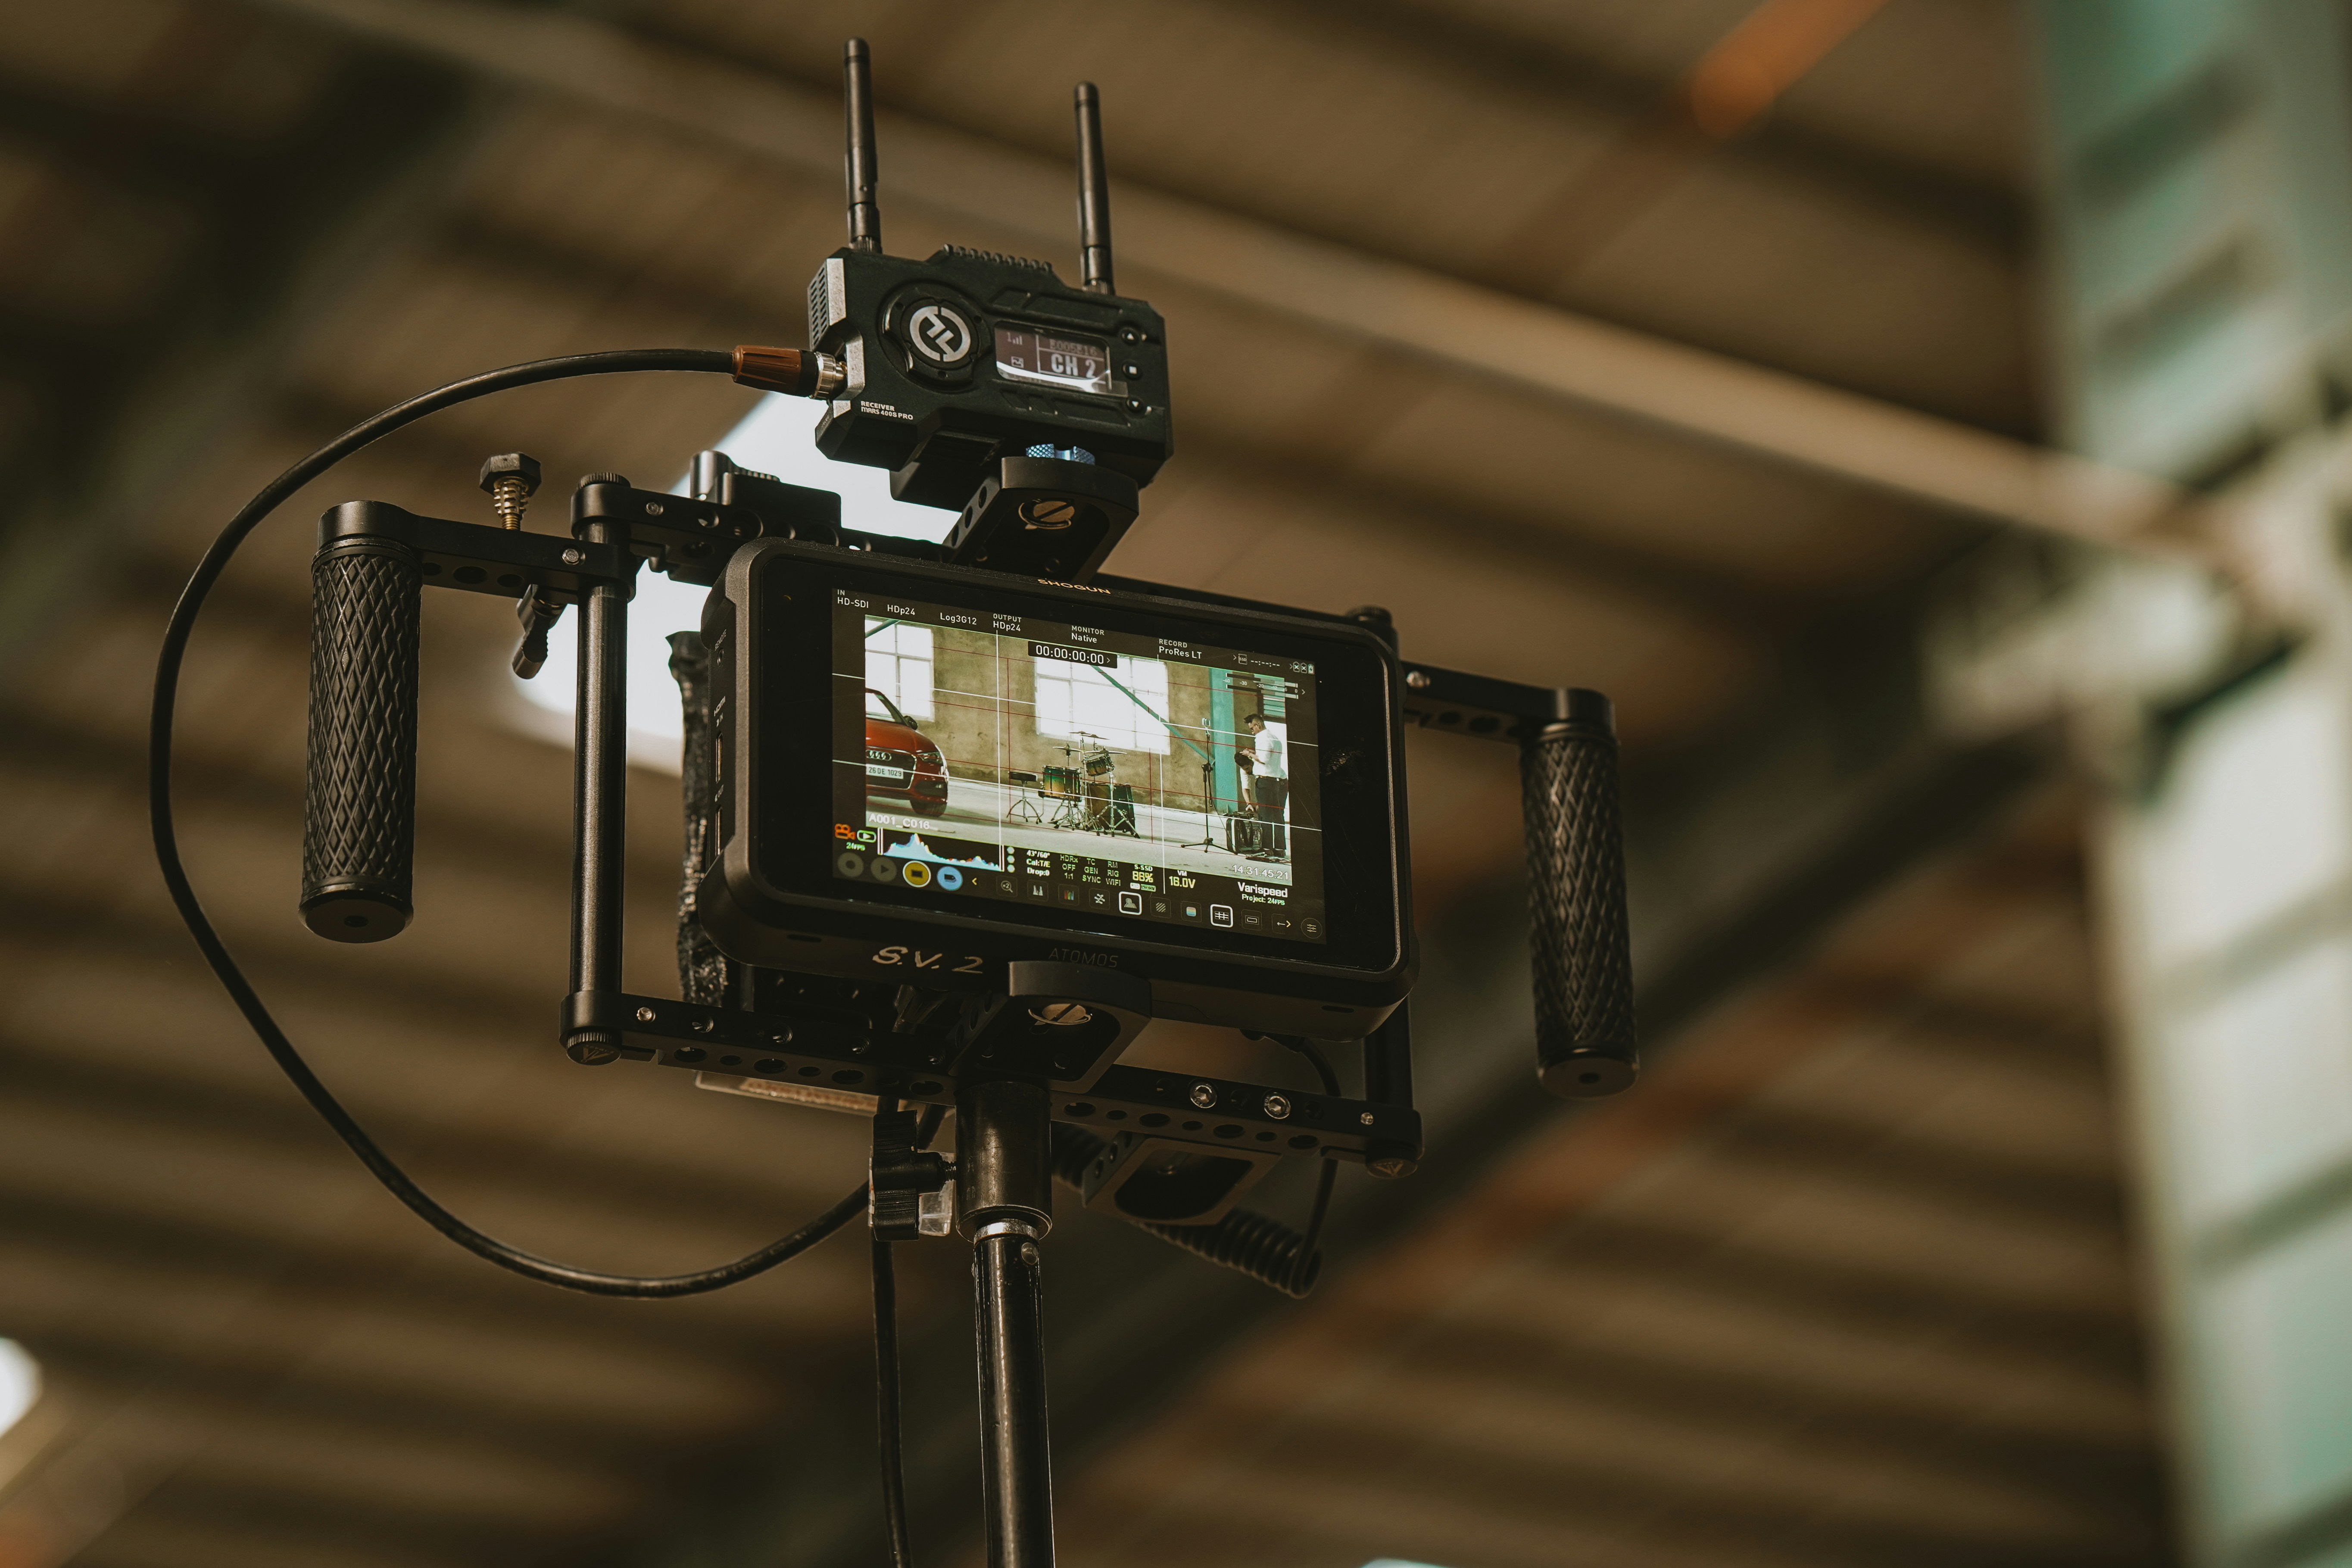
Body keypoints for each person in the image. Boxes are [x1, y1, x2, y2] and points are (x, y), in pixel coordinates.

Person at [1235, 710, 1288, 859]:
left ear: (1258, 725)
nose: (1252, 732)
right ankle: (1280, 849)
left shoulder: (1262, 738)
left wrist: (1250, 755)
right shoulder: (1275, 738)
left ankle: (1267, 849)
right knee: (1278, 816)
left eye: (1252, 728)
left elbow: (1264, 759)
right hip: (1275, 782)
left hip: (1264, 782)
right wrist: (1254, 753)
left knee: (1265, 817)